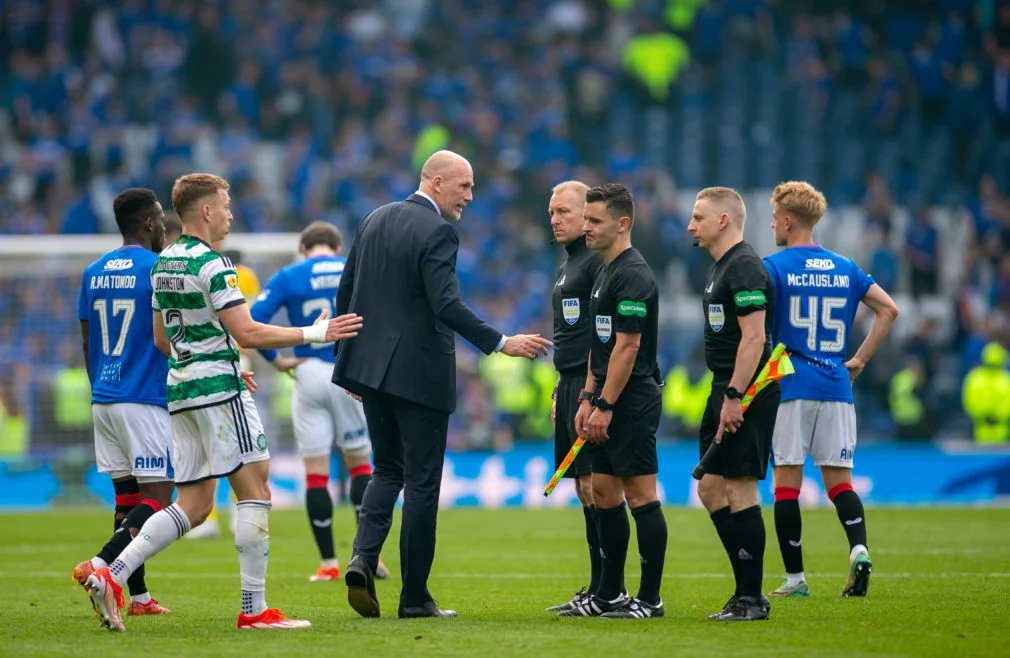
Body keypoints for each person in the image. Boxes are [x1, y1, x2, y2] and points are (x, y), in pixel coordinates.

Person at [82, 173, 363, 632]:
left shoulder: (165, 262)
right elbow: (248, 331)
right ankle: (254, 610)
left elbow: (162, 339)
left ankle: (111, 574)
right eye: (226, 205)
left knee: (194, 504)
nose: (231, 213)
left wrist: (215, 361)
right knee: (256, 489)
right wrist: (317, 332)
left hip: (182, 392)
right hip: (218, 393)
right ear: (207, 211)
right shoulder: (214, 265)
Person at [333, 150, 553, 619]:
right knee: (422, 483)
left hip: (371, 370)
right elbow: (446, 305)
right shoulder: (438, 231)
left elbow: (346, 292)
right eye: (464, 186)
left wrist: (351, 361)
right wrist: (501, 341)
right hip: (419, 375)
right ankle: (414, 599)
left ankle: (362, 558)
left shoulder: (372, 219)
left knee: (386, 469)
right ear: (435, 182)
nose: (470, 197)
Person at [763, 181, 899, 599]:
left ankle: (795, 579)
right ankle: (859, 549)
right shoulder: (846, 267)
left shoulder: (774, 266)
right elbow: (889, 309)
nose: (772, 224)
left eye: (774, 217)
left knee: (786, 484)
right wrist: (857, 360)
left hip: (792, 384)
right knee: (839, 482)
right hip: (837, 386)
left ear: (788, 220)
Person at [250, 221, 390, 581]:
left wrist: (277, 361)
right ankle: (367, 557)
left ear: (304, 247)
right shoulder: (353, 268)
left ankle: (327, 563)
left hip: (308, 371)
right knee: (361, 466)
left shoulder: (289, 275)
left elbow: (251, 323)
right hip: (349, 374)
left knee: (316, 474)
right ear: (336, 245)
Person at [564, 183, 667, 619]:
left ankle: (649, 599)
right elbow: (599, 345)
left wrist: (605, 405)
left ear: (622, 224)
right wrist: (587, 396)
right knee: (604, 492)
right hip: (604, 394)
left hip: (633, 398)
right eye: (585, 219)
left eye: (594, 221)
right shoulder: (604, 270)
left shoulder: (634, 274)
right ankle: (609, 595)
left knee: (640, 496)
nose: (585, 228)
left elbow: (627, 347)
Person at [72, 188, 175, 617]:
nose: (165, 228)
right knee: (162, 497)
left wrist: (102, 385)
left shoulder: (93, 271)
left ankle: (139, 598)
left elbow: (86, 341)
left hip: (105, 396)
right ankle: (100, 565)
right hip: (143, 396)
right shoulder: (158, 268)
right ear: (149, 222)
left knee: (127, 500)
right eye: (161, 221)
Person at [686, 186, 778, 622]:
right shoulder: (722, 267)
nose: (691, 226)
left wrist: (735, 396)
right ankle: (744, 589)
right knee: (709, 487)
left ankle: (752, 599)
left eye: (699, 217)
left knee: (740, 487)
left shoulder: (742, 265)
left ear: (723, 220)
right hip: (726, 384)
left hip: (747, 388)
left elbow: (755, 338)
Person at [542, 180, 605, 614]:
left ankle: (606, 589)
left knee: (595, 486)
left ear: (588, 215)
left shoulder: (595, 265)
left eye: (563, 211)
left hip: (587, 387)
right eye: (551, 212)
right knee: (583, 490)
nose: (555, 219)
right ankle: (596, 587)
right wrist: (559, 390)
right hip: (568, 385)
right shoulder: (568, 266)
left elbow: (598, 338)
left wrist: (588, 391)